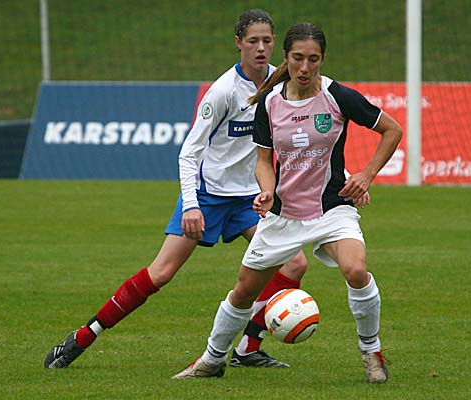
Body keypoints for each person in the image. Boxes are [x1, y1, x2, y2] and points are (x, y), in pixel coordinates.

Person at [44, 10, 370, 371]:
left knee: (295, 264)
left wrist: (347, 178)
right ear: (238, 43)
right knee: (161, 273)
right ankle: (84, 335)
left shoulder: (283, 83)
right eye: (253, 41)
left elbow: (310, 142)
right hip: (209, 194)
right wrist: (191, 205)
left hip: (251, 197)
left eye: (267, 40)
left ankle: (247, 348)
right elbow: (189, 152)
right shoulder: (224, 91)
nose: (261, 48)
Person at [172, 22, 402, 383]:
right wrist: (266, 190)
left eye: (313, 59)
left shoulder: (337, 95)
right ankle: (212, 360)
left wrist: (366, 175)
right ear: (286, 57)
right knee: (243, 291)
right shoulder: (269, 102)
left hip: (331, 208)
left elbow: (392, 130)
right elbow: (264, 161)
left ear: (322, 59)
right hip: (283, 215)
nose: (305, 67)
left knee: (356, 271)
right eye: (298, 58)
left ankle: (371, 353)